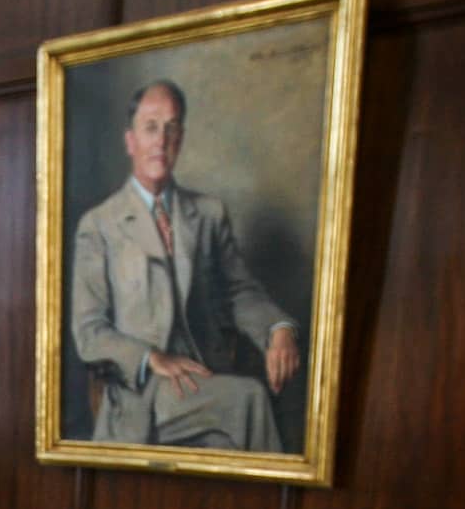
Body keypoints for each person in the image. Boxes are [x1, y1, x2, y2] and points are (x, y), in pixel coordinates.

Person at [70, 79, 302, 451]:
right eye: (150, 127)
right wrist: (150, 358)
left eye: (171, 127)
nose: (161, 140)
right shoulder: (99, 225)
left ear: (181, 138)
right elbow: (88, 331)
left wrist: (277, 329)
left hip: (206, 376)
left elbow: (239, 292)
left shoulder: (208, 214)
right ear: (130, 141)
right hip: (141, 393)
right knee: (249, 399)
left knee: (251, 410)